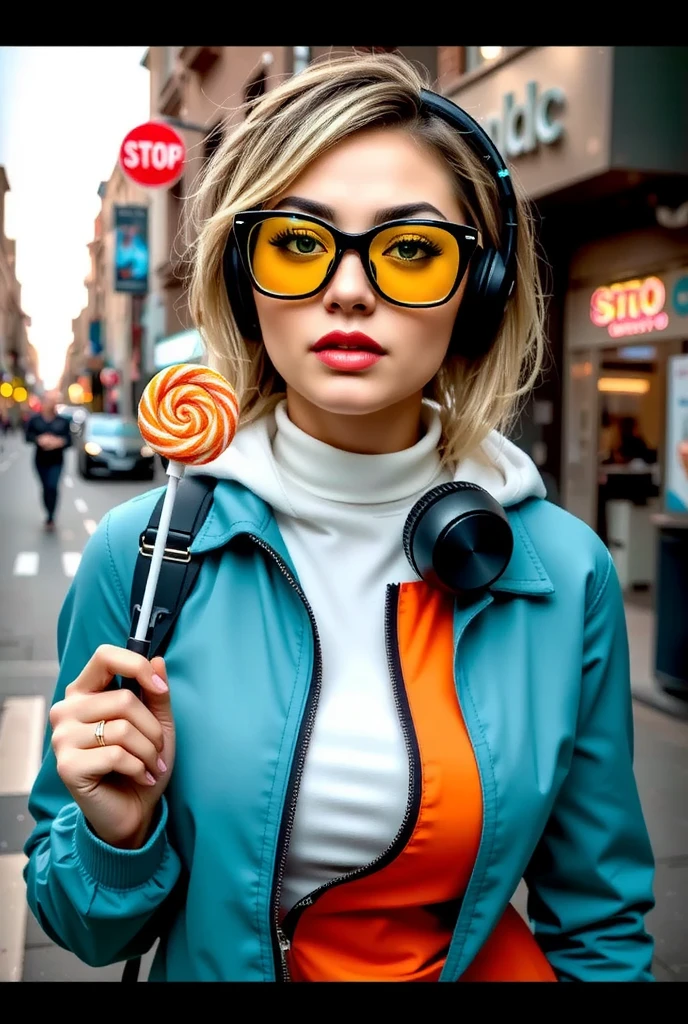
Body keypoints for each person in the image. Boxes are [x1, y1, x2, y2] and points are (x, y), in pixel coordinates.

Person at [24, 53, 655, 982]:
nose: (350, 289)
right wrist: (119, 833)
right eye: (298, 243)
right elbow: (85, 929)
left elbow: (600, 923)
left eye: (410, 250)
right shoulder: (149, 553)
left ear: (476, 292)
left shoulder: (565, 569)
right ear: (247, 279)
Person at [24, 391, 72, 531]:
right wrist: (39, 439)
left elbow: (69, 440)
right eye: (48, 401)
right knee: (45, 487)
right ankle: (48, 510)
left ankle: (51, 516)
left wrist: (58, 442)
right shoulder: (35, 420)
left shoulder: (63, 421)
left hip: (56, 460)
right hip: (40, 460)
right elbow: (27, 436)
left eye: (53, 401)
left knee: (52, 486)